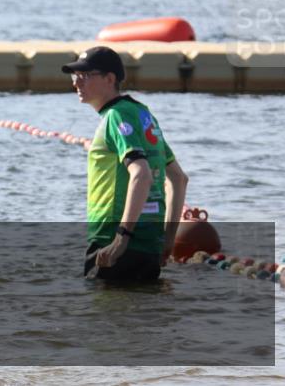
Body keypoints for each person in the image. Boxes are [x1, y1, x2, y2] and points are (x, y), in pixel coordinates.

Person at [62, 46, 189, 282]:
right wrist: (168, 241)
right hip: (150, 244)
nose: (76, 83)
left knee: (100, 315)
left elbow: (141, 174)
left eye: (85, 76)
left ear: (110, 79)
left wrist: (121, 238)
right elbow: (179, 179)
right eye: (75, 76)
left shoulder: (115, 116)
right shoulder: (143, 114)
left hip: (113, 240)